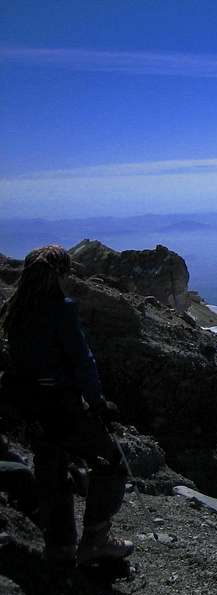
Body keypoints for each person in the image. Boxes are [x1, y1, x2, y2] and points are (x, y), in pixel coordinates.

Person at [0, 245, 133, 574]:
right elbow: (81, 360)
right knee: (112, 462)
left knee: (53, 471)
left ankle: (59, 548)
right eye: (67, 274)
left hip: (33, 406)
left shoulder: (15, 310)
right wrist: (99, 402)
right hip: (63, 404)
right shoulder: (61, 309)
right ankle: (95, 541)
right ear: (59, 275)